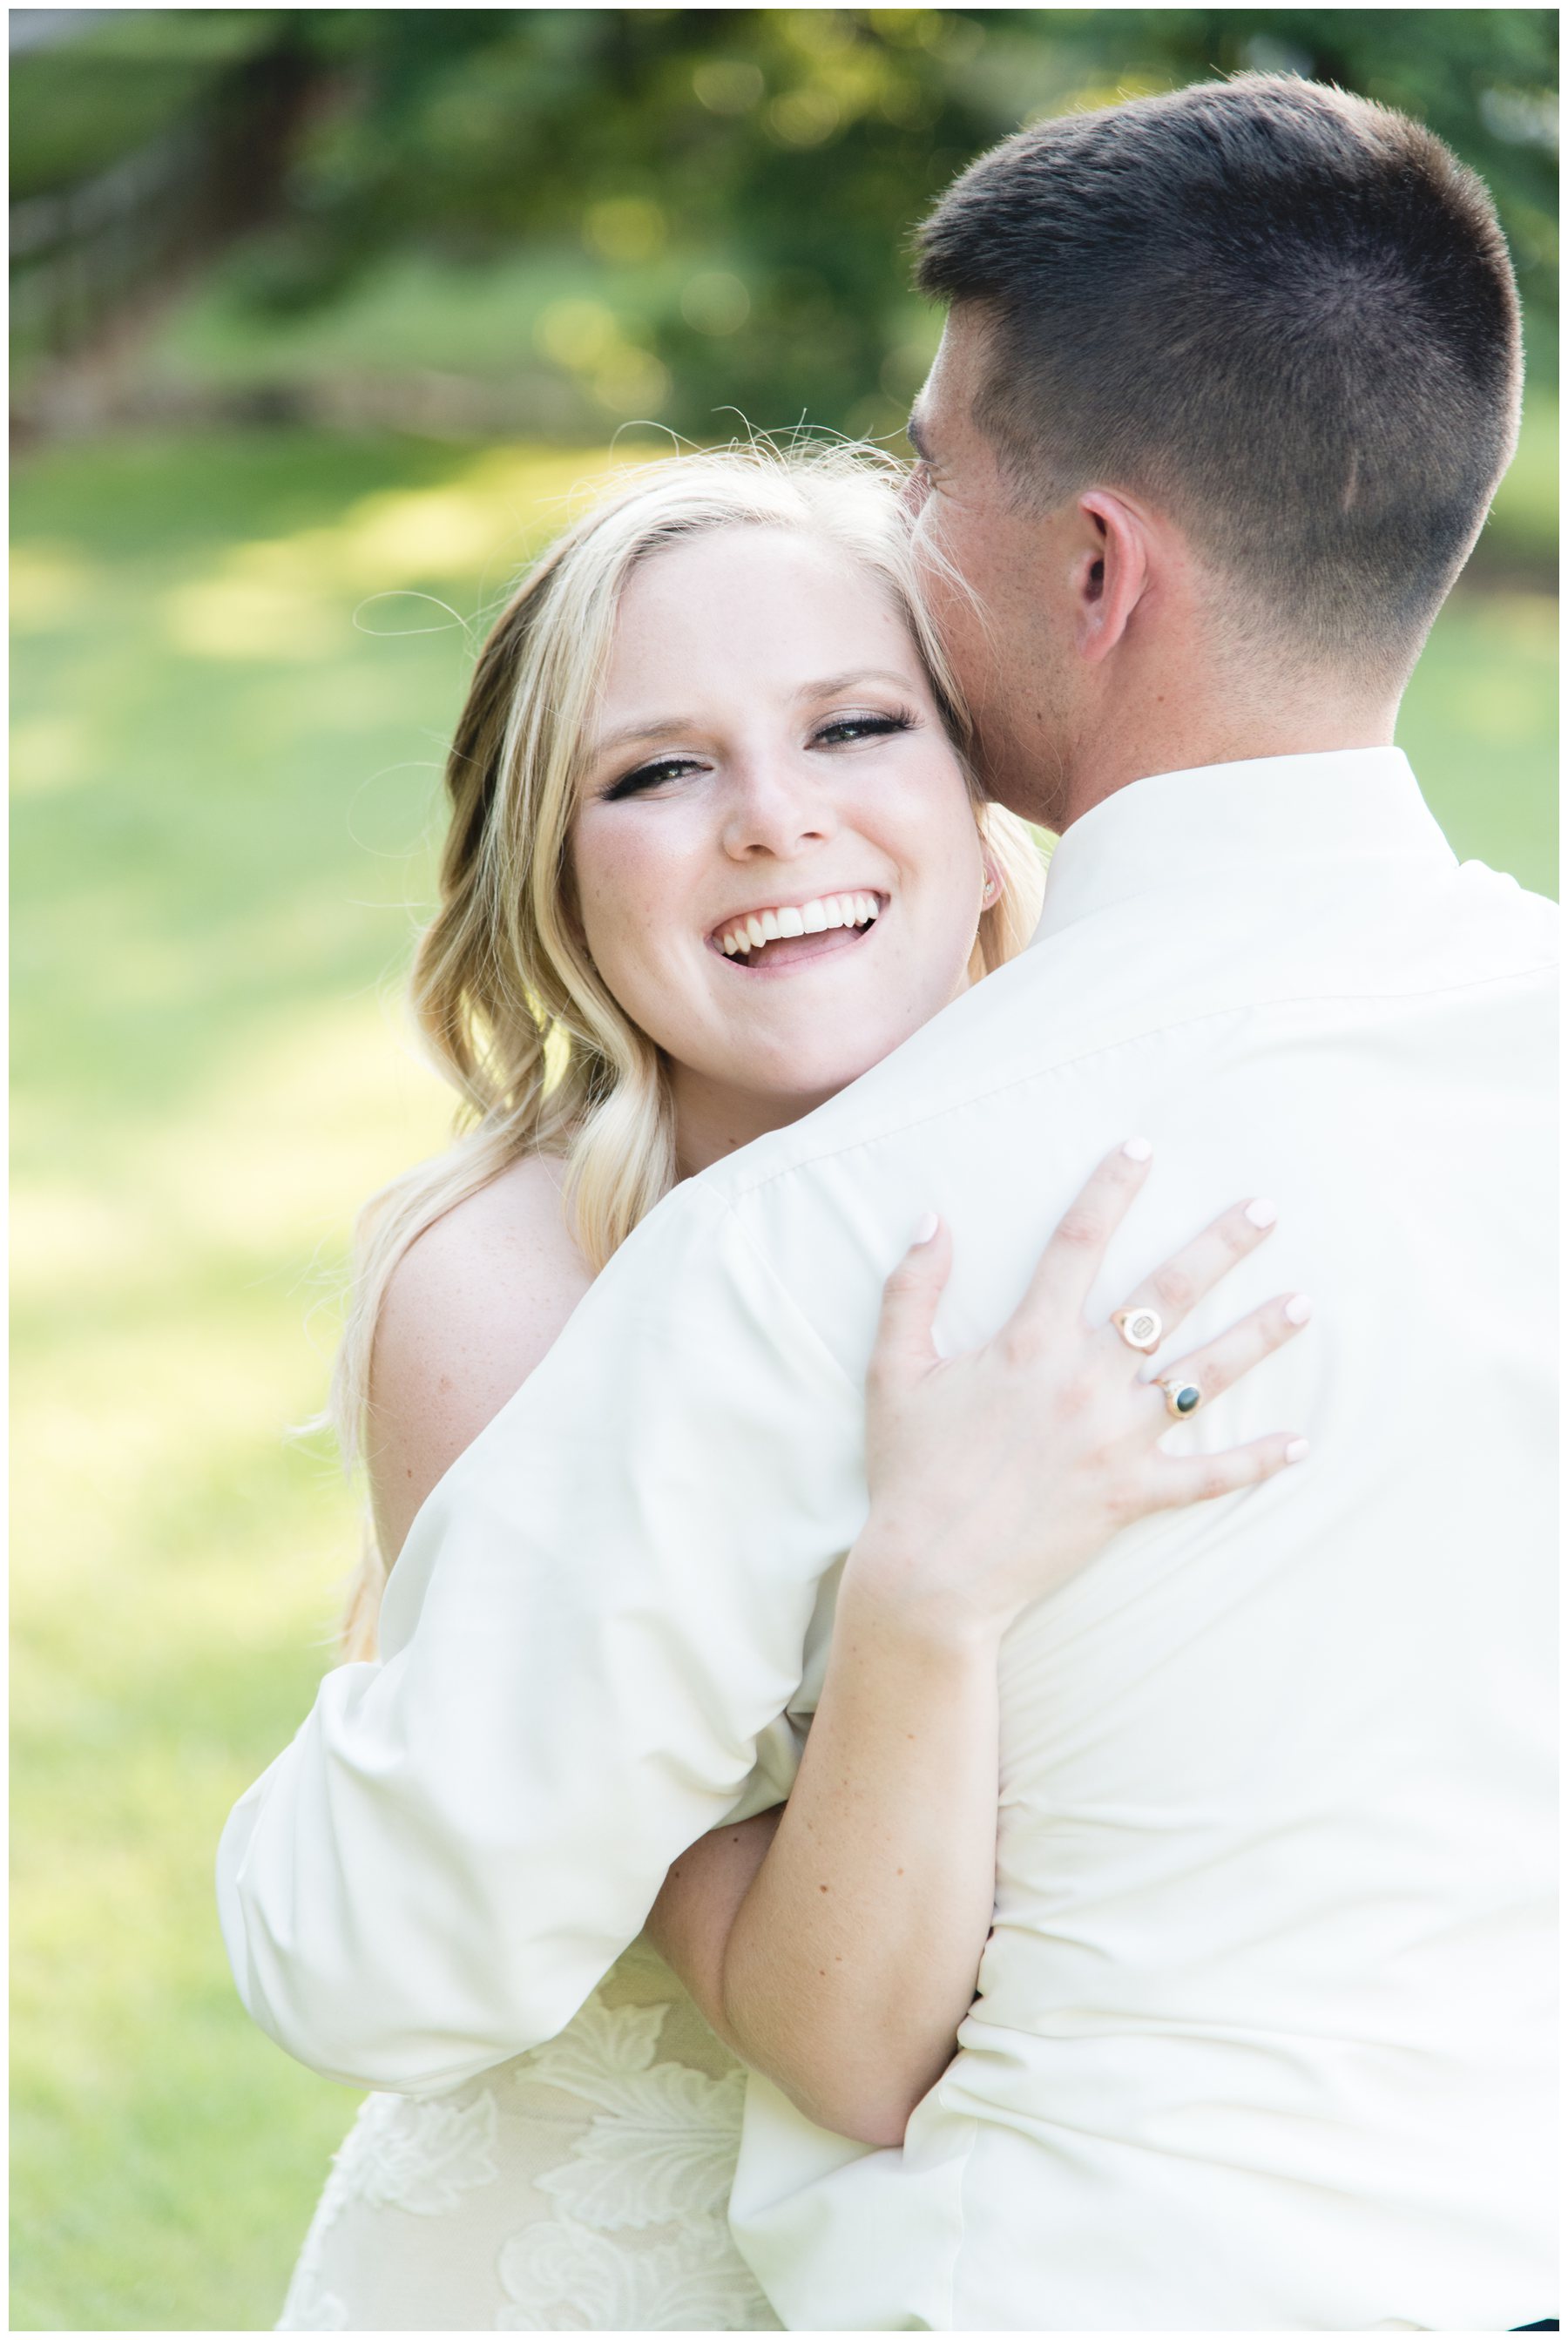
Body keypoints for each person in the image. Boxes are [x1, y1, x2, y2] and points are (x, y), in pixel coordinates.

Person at [222, 73, 1557, 2331]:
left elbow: (366, 1943)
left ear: (1096, 567)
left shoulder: (860, 1227)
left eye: (931, 469)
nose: (781, 817)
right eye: (662, 768)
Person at [269, 443, 1308, 2331]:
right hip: (641, 2249)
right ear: (549, 860)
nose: (774, 819)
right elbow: (837, 2037)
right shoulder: (505, 1285)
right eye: (657, 770)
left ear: (978, 780)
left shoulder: (1133, 1159)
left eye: (854, 727)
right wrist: (929, 1585)